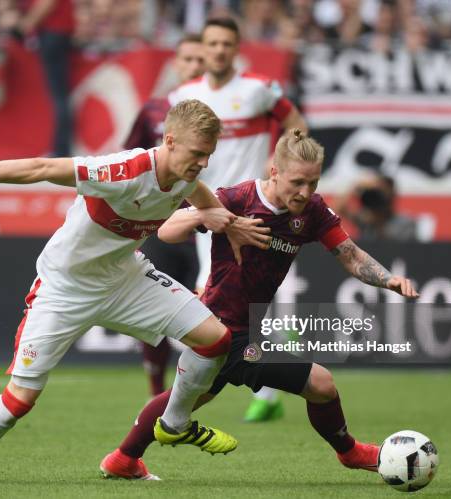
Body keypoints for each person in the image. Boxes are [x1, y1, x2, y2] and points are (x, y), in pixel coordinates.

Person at [0, 99, 273, 481]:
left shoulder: (186, 173)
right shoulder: (121, 171)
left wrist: (229, 222)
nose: (203, 162)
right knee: (19, 400)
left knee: (215, 340)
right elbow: (41, 167)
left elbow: (199, 191)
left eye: (208, 155)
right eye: (198, 154)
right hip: (65, 289)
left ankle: (174, 423)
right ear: (170, 141)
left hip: (125, 280)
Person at [99, 129, 419, 480]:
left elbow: (351, 255)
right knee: (321, 384)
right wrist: (210, 216)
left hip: (240, 329)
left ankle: (123, 458)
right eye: (298, 182)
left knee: (188, 398)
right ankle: (350, 452)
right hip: (221, 328)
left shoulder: (312, 212)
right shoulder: (236, 198)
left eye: (313, 183)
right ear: (275, 172)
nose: (305, 192)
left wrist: (387, 279)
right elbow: (167, 230)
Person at [169, 16, 308, 422]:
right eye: (212, 44)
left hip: (252, 208)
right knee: (222, 305)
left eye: (226, 44)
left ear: (235, 48)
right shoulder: (185, 96)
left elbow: (296, 123)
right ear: (204, 47)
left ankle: (191, 400)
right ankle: (270, 364)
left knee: (214, 304)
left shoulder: (258, 89)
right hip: (208, 209)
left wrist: (277, 162)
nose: (218, 51)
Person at [123, 33, 205, 397]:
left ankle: (196, 389)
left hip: (210, 226)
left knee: (209, 312)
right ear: (176, 64)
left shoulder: (227, 114)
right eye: (187, 59)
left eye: (199, 60)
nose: (194, 66)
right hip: (164, 227)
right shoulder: (154, 110)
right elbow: (129, 160)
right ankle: (156, 389)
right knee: (156, 316)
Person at [19, 0, 75, 157]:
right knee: (60, 95)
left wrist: (26, 23)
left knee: (59, 96)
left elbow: (47, 3)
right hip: (56, 32)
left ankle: (61, 150)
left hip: (53, 32)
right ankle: (61, 148)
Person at [335, 173, 420, 242]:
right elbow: (339, 209)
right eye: (377, 192)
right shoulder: (365, 218)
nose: (380, 197)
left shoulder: (406, 223)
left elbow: (399, 249)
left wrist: (378, 222)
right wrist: (354, 187)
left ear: (392, 194)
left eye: (383, 192)